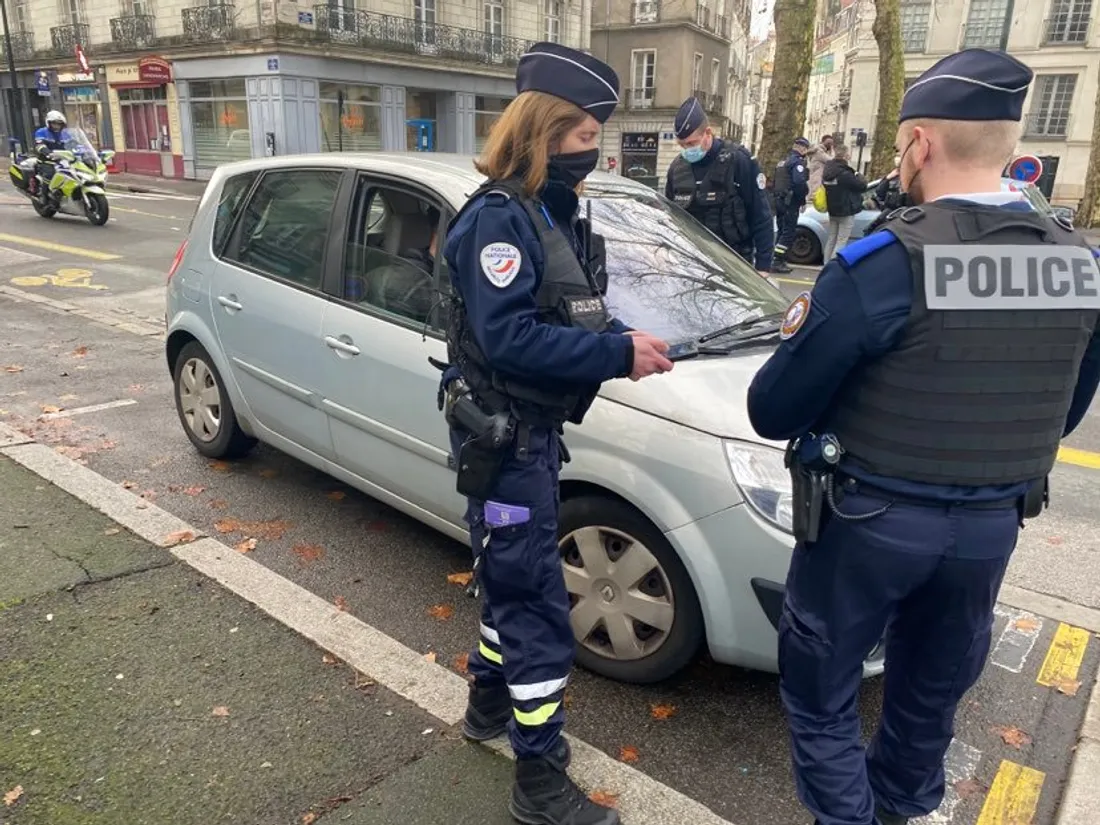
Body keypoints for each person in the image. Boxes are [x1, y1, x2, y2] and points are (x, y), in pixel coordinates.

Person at [746, 47, 1100, 825]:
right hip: (989, 528)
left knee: (822, 689)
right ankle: (899, 811)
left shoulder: (882, 261)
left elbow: (773, 408)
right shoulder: (1079, 264)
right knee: (928, 697)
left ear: (920, 145)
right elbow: (1064, 410)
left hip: (870, 525)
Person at [437, 41, 674, 825]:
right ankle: (540, 780)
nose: (593, 152)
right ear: (542, 132)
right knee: (536, 601)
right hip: (505, 453)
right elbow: (510, 340)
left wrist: (621, 336)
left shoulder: (544, 212)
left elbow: (563, 311)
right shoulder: (500, 220)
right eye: (582, 138)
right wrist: (615, 354)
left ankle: (484, 705)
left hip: (525, 444)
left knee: (510, 585)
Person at [665, 97, 775, 274]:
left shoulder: (739, 161)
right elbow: (671, 218)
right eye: (681, 145)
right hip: (691, 264)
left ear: (708, 133)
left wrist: (763, 267)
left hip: (735, 264)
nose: (687, 149)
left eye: (691, 143)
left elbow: (761, 216)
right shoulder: (676, 169)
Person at [770, 137, 810, 274]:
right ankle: (777, 260)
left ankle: (776, 259)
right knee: (788, 232)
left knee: (781, 231)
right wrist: (803, 198)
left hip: (779, 200)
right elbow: (799, 183)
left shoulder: (783, 162)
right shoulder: (797, 162)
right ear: (802, 148)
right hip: (790, 202)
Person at [821, 144, 867, 260]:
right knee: (841, 241)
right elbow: (861, 186)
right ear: (846, 156)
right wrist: (857, 174)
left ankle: (826, 264)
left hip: (833, 209)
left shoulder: (828, 171)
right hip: (846, 209)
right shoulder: (845, 173)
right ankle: (832, 266)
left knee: (832, 239)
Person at [31, 110, 68, 197]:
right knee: (50, 175)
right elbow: (39, 145)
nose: (57, 126)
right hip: (47, 161)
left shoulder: (65, 134)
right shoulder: (41, 132)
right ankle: (44, 197)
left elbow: (74, 144)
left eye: (59, 124)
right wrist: (47, 152)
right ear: (48, 123)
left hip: (63, 161)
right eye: (54, 123)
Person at [806, 133, 836, 202]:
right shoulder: (819, 152)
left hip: (816, 176)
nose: (830, 145)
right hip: (817, 178)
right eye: (829, 143)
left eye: (831, 143)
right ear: (822, 142)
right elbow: (831, 161)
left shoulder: (820, 151)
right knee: (815, 197)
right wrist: (832, 150)